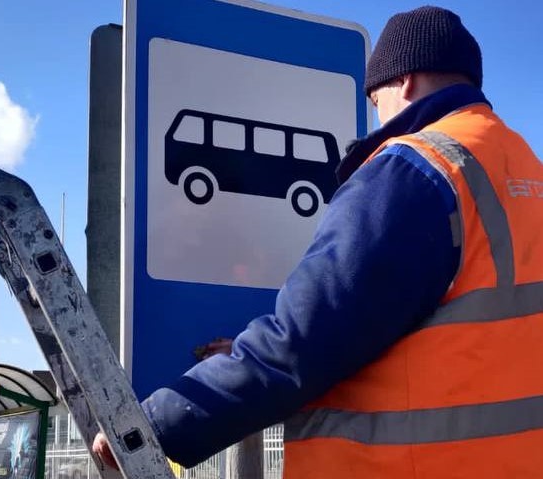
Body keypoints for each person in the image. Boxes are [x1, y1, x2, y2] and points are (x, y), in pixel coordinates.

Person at [94, 6, 543, 477]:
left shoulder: (415, 170)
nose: (377, 117)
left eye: (375, 99)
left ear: (404, 81)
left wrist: (151, 426)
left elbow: (302, 342)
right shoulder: (523, 169)